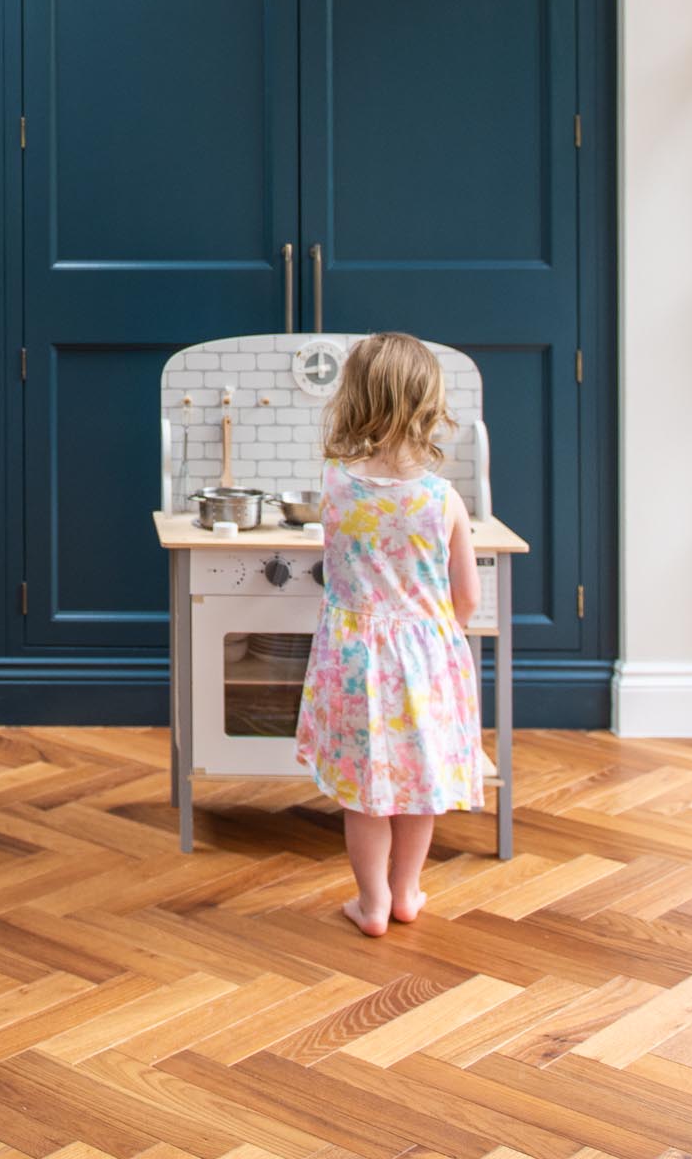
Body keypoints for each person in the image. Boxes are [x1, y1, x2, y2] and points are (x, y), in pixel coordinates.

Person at [295, 332, 484, 937]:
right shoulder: (442, 497)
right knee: (418, 786)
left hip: (354, 660)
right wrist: (436, 634)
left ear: (356, 399)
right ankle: (407, 893)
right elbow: (468, 600)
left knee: (366, 790)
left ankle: (371, 902)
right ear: (429, 405)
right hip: (426, 656)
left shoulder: (334, 485)